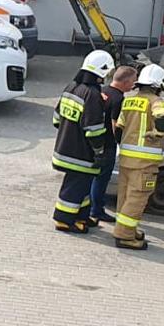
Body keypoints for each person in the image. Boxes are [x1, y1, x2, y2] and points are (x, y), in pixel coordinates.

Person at [49, 50, 116, 232]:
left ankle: (81, 217)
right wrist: (100, 151)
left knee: (82, 187)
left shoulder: (71, 87)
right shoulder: (92, 95)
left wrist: (69, 132)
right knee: (74, 187)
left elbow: (56, 119)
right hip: (80, 155)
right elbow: (94, 130)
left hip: (63, 149)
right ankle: (63, 219)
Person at [111, 64, 164, 250]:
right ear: (158, 84)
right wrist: (157, 134)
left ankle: (127, 229)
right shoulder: (156, 101)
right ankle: (125, 236)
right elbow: (162, 121)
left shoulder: (129, 101)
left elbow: (119, 130)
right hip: (145, 162)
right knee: (137, 198)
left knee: (125, 197)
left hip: (126, 159)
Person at [87, 65, 135, 223]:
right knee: (101, 178)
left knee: (93, 176)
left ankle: (90, 207)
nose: (133, 85)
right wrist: (121, 143)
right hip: (107, 143)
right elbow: (116, 123)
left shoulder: (103, 90)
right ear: (125, 81)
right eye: (132, 81)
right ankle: (96, 210)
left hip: (94, 140)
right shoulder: (119, 98)